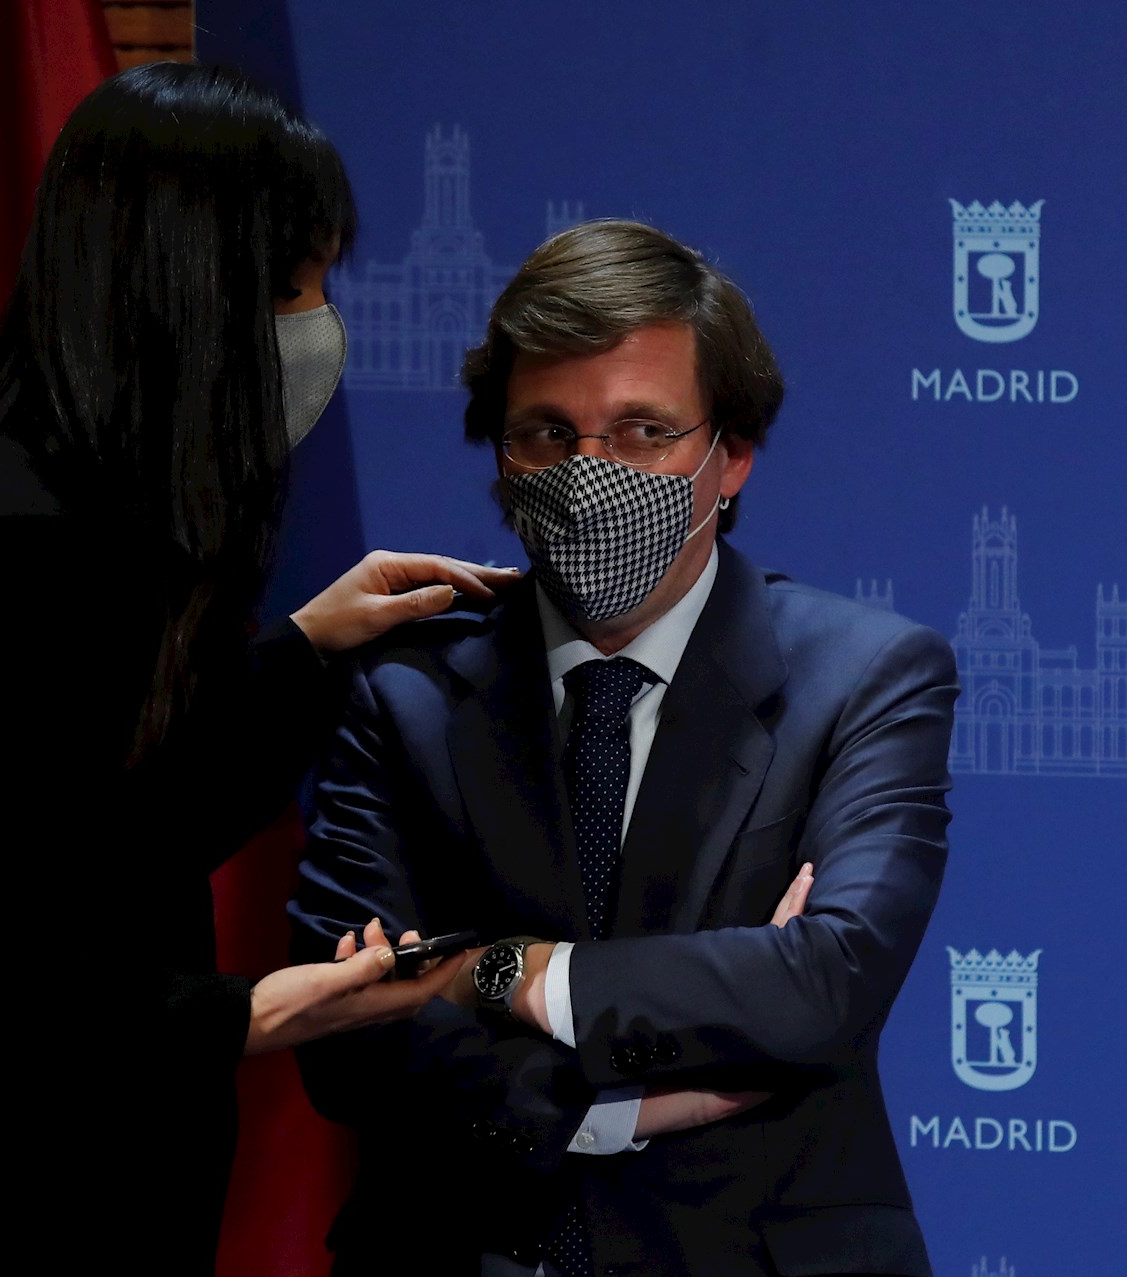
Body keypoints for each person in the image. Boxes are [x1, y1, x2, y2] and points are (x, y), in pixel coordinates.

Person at [0, 63, 514, 1274]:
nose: (320, 327)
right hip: (13, 1217)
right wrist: (254, 1009)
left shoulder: (87, 511)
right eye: (296, 286)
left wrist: (307, 646)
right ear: (189, 291)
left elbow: (107, 829)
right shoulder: (16, 542)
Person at [292, 219, 957, 1276]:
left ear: (731, 455)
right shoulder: (402, 688)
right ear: (501, 455)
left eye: (643, 430)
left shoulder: (866, 675)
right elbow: (346, 1030)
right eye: (548, 434)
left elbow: (822, 983)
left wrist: (500, 971)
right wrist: (605, 1108)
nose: (590, 472)